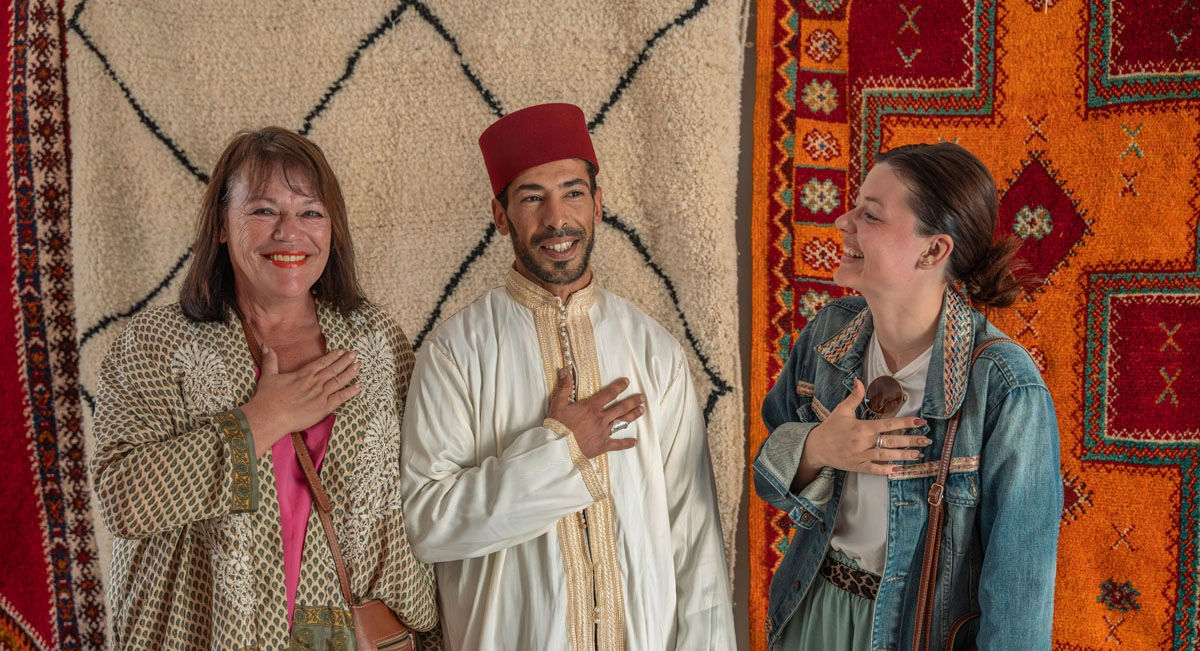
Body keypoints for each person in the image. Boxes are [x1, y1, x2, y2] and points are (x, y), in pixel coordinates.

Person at [400, 103, 735, 650]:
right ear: (501, 215)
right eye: (532, 197)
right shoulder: (453, 354)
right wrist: (560, 451)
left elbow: (694, 541)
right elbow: (428, 525)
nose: (557, 218)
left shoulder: (654, 351)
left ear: (599, 204)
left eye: (573, 192)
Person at [91, 127, 439, 648]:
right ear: (223, 226)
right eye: (263, 211)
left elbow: (421, 500)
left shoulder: (377, 341)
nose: (289, 232)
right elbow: (124, 501)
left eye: (310, 212)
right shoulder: (157, 344)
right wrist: (263, 420)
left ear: (333, 231)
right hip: (204, 635)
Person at [754, 142, 1061, 650]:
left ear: (933, 250)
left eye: (869, 214)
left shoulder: (1005, 386)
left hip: (913, 634)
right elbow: (767, 476)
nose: (842, 222)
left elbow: (1020, 597)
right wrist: (818, 449)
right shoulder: (828, 337)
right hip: (811, 612)